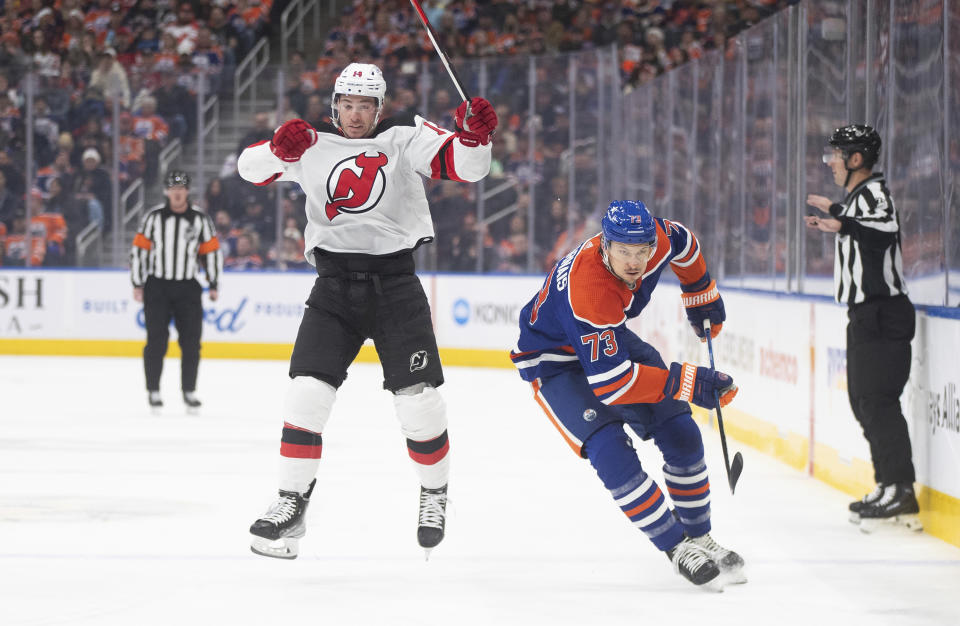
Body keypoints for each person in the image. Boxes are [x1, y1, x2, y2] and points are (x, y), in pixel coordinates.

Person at [237, 62, 496, 559]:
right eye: (348, 104)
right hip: (333, 288)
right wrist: (275, 149)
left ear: (381, 107)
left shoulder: (404, 139)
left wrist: (475, 137)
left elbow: (468, 167)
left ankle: (434, 493)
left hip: (395, 286)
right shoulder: (309, 144)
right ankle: (291, 503)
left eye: (366, 105)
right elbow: (249, 169)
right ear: (335, 105)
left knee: (418, 404)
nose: (355, 115)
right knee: (306, 396)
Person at [510, 200, 744, 590]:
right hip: (554, 363)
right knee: (611, 450)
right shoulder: (589, 290)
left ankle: (699, 535)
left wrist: (700, 291)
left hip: (608, 340)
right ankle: (677, 547)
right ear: (605, 245)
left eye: (641, 252)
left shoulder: (657, 239)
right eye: (623, 252)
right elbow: (613, 384)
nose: (634, 262)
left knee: (681, 433)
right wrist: (691, 382)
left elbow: (684, 243)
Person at [805, 124, 920, 531]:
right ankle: (888, 483)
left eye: (836, 155)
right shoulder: (855, 199)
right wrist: (838, 215)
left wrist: (843, 222)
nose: (831, 162)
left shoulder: (874, 193)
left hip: (884, 312)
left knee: (878, 401)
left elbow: (884, 232)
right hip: (865, 314)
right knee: (863, 401)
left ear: (856, 159)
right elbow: (862, 227)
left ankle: (901, 488)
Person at [130, 170, 223, 412]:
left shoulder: (200, 220)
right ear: (167, 191)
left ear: (187, 191)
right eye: (173, 188)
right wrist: (137, 283)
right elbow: (140, 251)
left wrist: (213, 284)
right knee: (156, 342)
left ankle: (189, 391)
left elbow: (211, 253)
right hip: (157, 286)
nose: (177, 192)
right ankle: (153, 390)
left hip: (188, 288)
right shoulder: (153, 218)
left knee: (191, 343)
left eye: (181, 188)